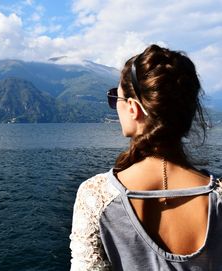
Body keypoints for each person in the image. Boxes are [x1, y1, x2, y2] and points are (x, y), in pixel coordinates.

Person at [69, 44, 222, 270]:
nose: (115, 107)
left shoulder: (94, 196)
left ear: (132, 108)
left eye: (115, 99)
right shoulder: (217, 197)